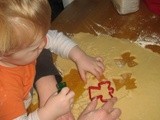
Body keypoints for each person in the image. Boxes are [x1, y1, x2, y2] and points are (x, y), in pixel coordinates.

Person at [0, 0, 121, 120]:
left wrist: (80, 57)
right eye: (34, 48)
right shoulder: (4, 93)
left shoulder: (16, 46)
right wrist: (48, 112)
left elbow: (54, 38)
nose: (44, 44)